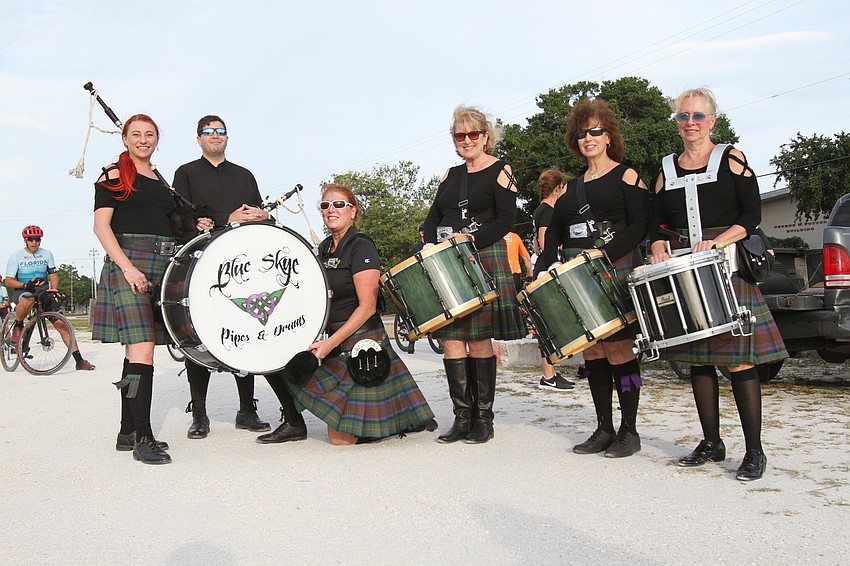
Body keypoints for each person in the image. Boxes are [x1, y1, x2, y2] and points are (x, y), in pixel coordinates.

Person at [649, 87, 787, 481]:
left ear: (712, 120)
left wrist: (719, 241)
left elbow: (752, 213)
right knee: (699, 360)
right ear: (676, 122)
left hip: (729, 266)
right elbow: (655, 220)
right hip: (685, 270)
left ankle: (754, 452)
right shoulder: (666, 168)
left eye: (697, 116)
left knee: (740, 360)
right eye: (682, 116)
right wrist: (658, 242)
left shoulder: (732, 158)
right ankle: (711, 442)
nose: (689, 123)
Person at [261, 184, 437, 445]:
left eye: (339, 204)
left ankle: (399, 421)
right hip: (331, 335)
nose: (331, 210)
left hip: (360, 340)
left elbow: (367, 307)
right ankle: (293, 422)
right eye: (325, 205)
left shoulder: (360, 246)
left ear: (353, 211)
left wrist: (330, 343)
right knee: (274, 359)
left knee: (341, 439)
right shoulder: (323, 250)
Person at [540, 99, 650, 458]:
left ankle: (628, 431)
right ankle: (603, 428)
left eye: (595, 131)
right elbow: (555, 228)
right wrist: (546, 259)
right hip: (578, 275)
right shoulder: (572, 188)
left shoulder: (627, 175)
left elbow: (641, 225)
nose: (588, 138)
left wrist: (605, 253)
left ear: (608, 136)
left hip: (614, 269)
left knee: (619, 350)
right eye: (581, 133)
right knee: (593, 351)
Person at [422, 105, 526, 444]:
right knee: (452, 340)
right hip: (450, 261)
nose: (466, 140)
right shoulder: (450, 176)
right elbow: (433, 217)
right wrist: (429, 236)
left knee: (479, 339)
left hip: (484, 255)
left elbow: (506, 220)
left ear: (485, 136)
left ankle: (484, 419)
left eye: (472, 134)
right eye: (459, 135)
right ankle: (461, 418)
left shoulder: (501, 170)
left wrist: (470, 238)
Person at [172, 115, 271, 439]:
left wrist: (264, 215)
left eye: (220, 131)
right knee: (200, 331)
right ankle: (199, 414)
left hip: (242, 263)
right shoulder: (185, 173)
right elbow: (180, 218)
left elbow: (258, 214)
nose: (215, 136)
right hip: (202, 263)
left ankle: (247, 410)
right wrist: (222, 219)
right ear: (198, 138)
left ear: (227, 138)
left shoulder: (244, 175)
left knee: (246, 327)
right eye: (208, 132)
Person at [92, 114, 175, 464]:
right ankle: (143, 437)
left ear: (157, 139)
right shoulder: (113, 174)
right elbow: (101, 226)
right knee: (143, 349)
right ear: (124, 138)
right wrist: (127, 267)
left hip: (161, 265)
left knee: (135, 354)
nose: (143, 139)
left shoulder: (159, 178)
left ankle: (127, 431)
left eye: (150, 134)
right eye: (136, 134)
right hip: (129, 264)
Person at [5, 226, 96, 371]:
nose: (34, 242)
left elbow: (53, 275)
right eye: (31, 240)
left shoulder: (47, 254)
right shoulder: (16, 256)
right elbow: (8, 281)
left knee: (61, 324)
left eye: (37, 239)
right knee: (28, 299)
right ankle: (19, 324)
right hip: (24, 290)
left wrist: (54, 289)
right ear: (25, 240)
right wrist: (25, 284)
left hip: (43, 291)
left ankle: (79, 360)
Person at [531, 168, 574, 391]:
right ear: (557, 188)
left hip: (542, 266)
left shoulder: (539, 210)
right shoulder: (548, 211)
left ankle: (552, 372)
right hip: (547, 268)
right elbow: (545, 242)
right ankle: (548, 375)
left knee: (549, 323)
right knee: (549, 324)